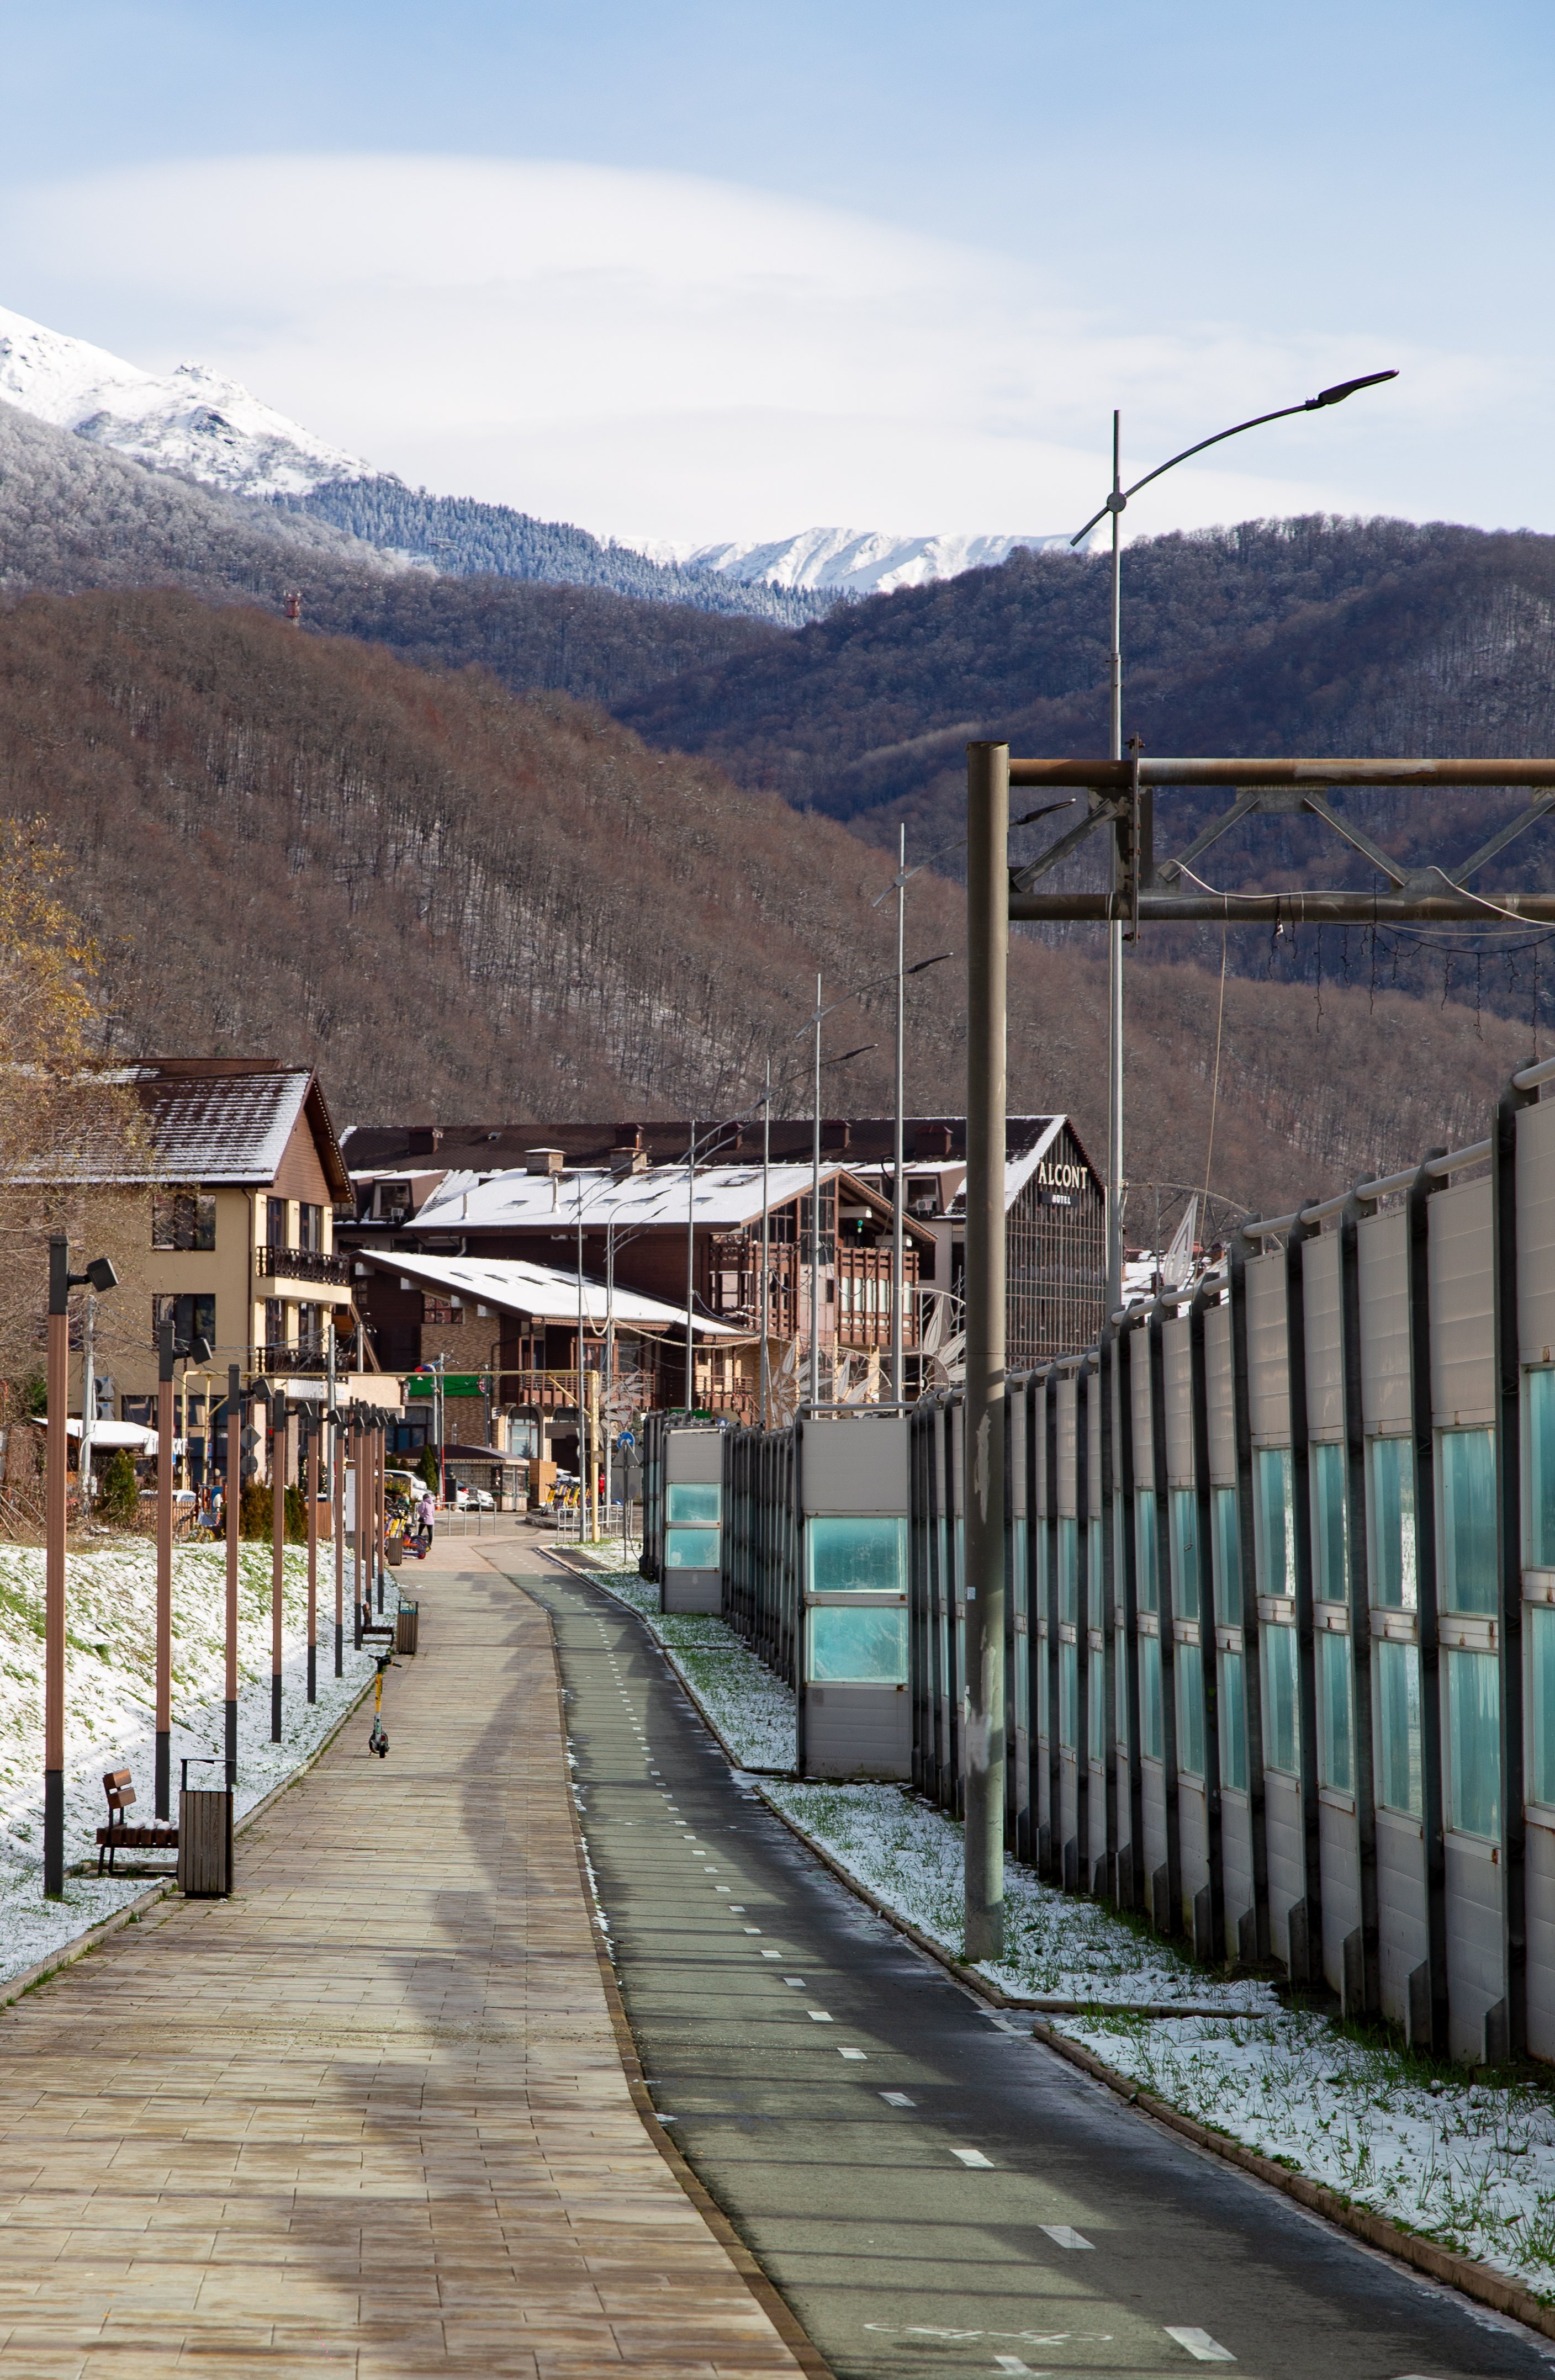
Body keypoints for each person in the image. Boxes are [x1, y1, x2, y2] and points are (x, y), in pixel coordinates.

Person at [417, 1488, 435, 1556]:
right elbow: (433, 1512)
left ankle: (418, 1542)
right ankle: (430, 1544)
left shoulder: (424, 1503)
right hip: (431, 1520)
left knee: (420, 1531)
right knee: (430, 1533)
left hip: (424, 1520)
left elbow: (421, 1511)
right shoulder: (432, 1503)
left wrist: (421, 1513)